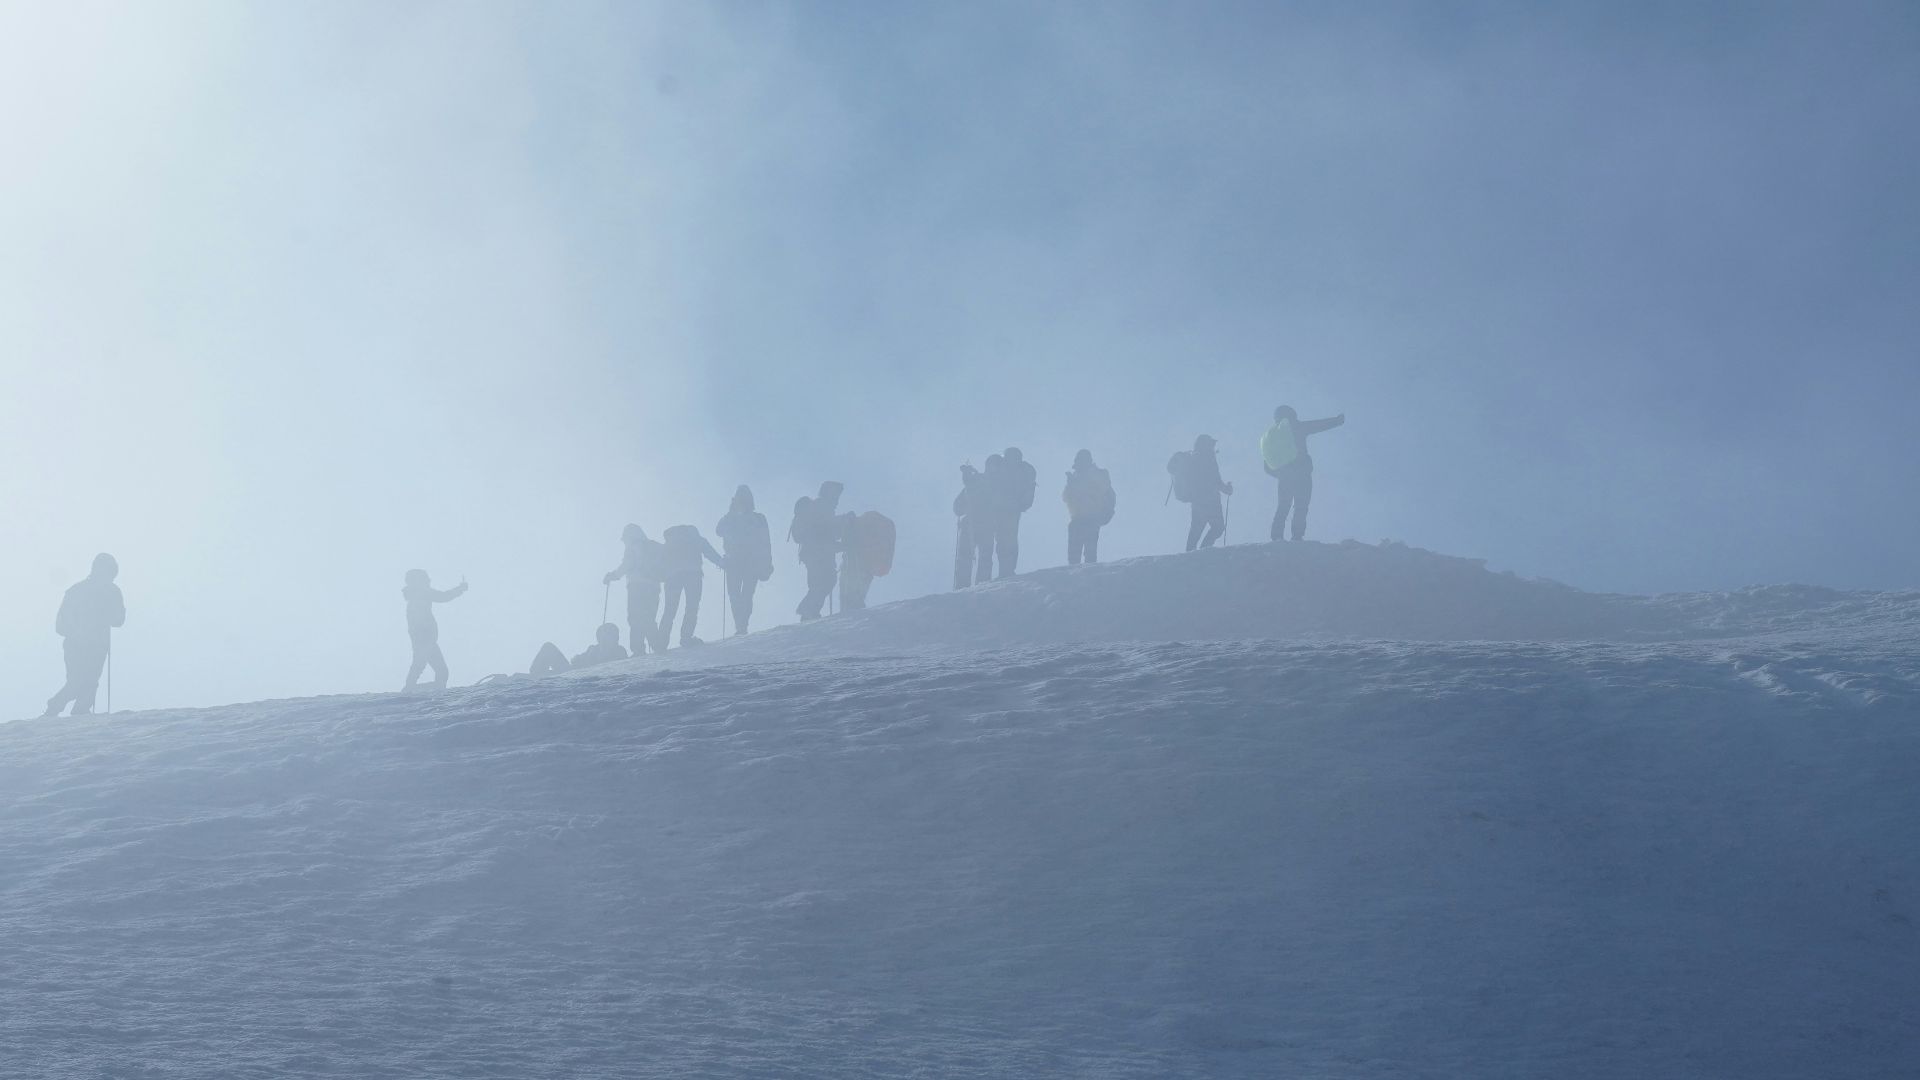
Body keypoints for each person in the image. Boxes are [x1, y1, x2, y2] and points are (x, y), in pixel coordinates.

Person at [42, 553, 126, 718]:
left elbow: (118, 620)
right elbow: (61, 624)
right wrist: (78, 631)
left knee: (89, 681)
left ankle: (79, 711)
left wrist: (107, 615)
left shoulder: (103, 591)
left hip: (93, 645)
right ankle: (57, 707)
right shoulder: (80, 591)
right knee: (79, 681)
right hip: (79, 644)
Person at [1262, 406, 1346, 541]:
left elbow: (1266, 467)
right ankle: (1297, 536)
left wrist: (1281, 475)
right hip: (1302, 473)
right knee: (1301, 506)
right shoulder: (1296, 426)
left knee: (1283, 506)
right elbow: (1317, 425)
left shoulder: (1271, 435)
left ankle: (1276, 537)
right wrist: (1336, 421)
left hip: (1284, 476)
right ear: (1291, 415)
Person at [715, 485, 773, 636]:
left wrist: (767, 562)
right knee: (742, 595)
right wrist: (767, 562)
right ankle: (741, 626)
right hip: (745, 562)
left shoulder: (753, 518)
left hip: (741, 562)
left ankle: (741, 626)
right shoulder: (755, 519)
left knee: (740, 595)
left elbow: (765, 542)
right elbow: (719, 530)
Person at [657, 524, 725, 649]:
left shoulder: (670, 542)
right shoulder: (695, 538)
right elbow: (709, 552)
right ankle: (686, 638)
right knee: (692, 607)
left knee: (669, 609)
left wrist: (662, 576)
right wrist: (722, 562)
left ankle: (661, 642)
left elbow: (660, 562)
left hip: (672, 578)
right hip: (693, 575)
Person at [401, 569, 468, 692]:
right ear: (418, 581)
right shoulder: (420, 593)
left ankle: (413, 689)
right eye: (426, 578)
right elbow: (443, 597)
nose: (429, 581)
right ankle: (411, 690)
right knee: (432, 668)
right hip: (425, 638)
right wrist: (460, 589)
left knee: (425, 667)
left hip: (424, 638)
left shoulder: (414, 597)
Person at [603, 524, 665, 654]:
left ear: (629, 536)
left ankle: (638, 649)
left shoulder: (632, 547)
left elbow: (627, 565)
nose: (624, 542)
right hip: (654, 587)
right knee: (648, 616)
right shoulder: (652, 547)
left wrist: (613, 576)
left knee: (635, 617)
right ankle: (657, 644)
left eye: (625, 539)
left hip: (637, 586)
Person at [790, 481, 844, 620]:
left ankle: (809, 613)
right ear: (829, 493)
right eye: (836, 495)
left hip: (812, 553)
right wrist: (845, 522)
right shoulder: (823, 506)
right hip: (818, 554)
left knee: (820, 582)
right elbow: (828, 531)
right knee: (825, 581)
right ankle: (808, 611)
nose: (837, 499)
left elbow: (825, 533)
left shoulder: (820, 506)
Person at [990, 446, 1037, 577]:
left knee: (1003, 539)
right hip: (1012, 509)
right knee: (1008, 538)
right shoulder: (1021, 471)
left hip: (1003, 509)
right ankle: (1007, 569)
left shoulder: (1003, 469)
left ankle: (1006, 570)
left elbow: (993, 485)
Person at [1062, 450, 1115, 565]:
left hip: (1092, 518)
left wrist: (1075, 483)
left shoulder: (1099, 474)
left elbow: (1099, 489)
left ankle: (1089, 579)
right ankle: (1074, 579)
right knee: (1073, 557)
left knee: (1090, 556)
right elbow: (1066, 498)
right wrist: (1070, 484)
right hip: (1076, 519)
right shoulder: (1076, 477)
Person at [1182, 434, 1232, 552]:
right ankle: (1204, 550)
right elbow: (1215, 480)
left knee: (1196, 530)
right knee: (1218, 527)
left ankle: (1189, 555)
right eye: (1211, 444)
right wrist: (1227, 489)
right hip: (1211, 500)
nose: (1213, 446)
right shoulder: (1208, 458)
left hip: (1197, 502)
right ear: (1206, 445)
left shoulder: (1193, 458)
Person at [529, 622, 629, 677]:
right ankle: (537, 672)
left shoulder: (619, 650)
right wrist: (577, 660)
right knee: (548, 647)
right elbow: (578, 660)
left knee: (548, 648)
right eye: (601, 635)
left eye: (608, 635)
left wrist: (603, 655)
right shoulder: (593, 648)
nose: (604, 638)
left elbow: (618, 669)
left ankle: (539, 675)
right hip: (572, 671)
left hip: (577, 677)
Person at [952, 463, 994, 589]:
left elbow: (957, 508)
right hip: (987, 525)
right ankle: (983, 584)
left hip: (970, 524)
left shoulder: (973, 483)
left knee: (965, 556)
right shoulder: (996, 486)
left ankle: (961, 586)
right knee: (985, 556)